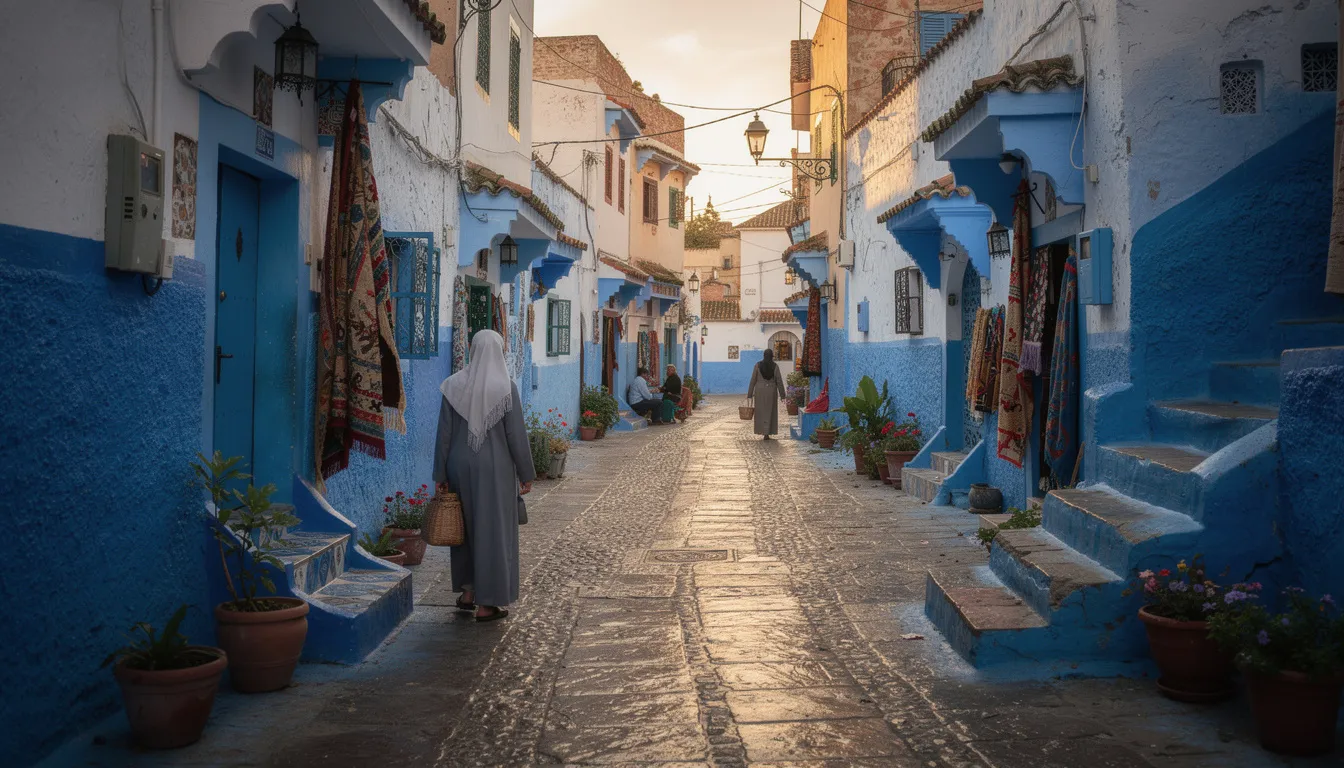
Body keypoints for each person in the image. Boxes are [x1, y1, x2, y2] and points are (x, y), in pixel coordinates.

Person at [433, 330, 536, 622]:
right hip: (495, 470)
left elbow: (443, 435)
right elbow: (516, 436)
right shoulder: (505, 387)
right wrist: (526, 472)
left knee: (462, 529)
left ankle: (467, 592)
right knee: (492, 532)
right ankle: (487, 605)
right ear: (500, 350)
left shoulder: (453, 386)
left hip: (458, 466)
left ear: (472, 350)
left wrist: (439, 473)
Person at [747, 348, 786, 439]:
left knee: (761, 411)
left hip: (759, 391)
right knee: (770, 411)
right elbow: (779, 381)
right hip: (771, 391)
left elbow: (753, 380)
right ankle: (768, 432)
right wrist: (782, 395)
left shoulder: (757, 365)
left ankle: (761, 430)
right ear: (772, 356)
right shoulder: (775, 366)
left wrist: (749, 393)